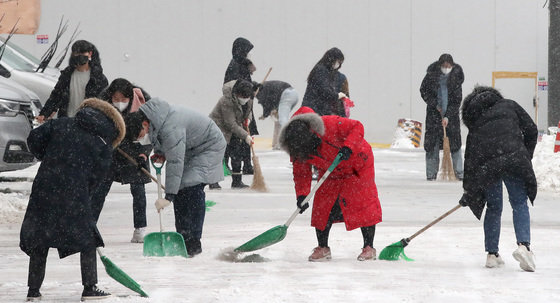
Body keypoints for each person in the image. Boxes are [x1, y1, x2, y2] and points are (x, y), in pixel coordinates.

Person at [20, 98, 125, 301]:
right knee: (87, 239)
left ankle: (33, 291)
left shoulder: (59, 124)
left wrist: (50, 157)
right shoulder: (102, 142)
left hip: (45, 185)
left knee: (40, 238)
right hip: (75, 192)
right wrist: (84, 189)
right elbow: (98, 177)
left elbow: (33, 139)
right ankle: (89, 287)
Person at [125, 98, 226, 256]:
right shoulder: (156, 119)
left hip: (209, 146)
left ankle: (194, 240)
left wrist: (169, 196)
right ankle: (183, 236)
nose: (141, 139)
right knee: (182, 189)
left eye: (140, 135)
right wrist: (160, 153)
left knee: (192, 187)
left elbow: (175, 161)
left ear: (144, 124)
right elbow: (163, 141)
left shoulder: (171, 125)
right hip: (191, 147)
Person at [279, 106, 382, 262]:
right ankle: (323, 247)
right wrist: (302, 195)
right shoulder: (296, 144)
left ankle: (369, 247)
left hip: (358, 165)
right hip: (330, 171)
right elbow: (301, 173)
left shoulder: (329, 124)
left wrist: (348, 146)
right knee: (322, 207)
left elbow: (357, 126)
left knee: (363, 204)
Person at [459, 86, 538, 272]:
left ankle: (492, 254)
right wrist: (525, 155)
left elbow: (470, 160)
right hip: (514, 159)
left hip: (489, 168)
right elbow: (532, 130)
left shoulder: (476, 122)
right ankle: (523, 246)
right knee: (519, 203)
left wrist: (469, 190)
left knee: (494, 207)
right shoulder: (509, 105)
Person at [90, 78, 152, 243]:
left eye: (123, 100)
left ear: (130, 97)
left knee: (138, 191)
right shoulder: (101, 105)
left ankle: (140, 229)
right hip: (110, 152)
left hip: (135, 152)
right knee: (99, 191)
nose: (119, 103)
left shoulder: (144, 104)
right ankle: (89, 227)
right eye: (116, 99)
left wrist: (143, 155)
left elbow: (148, 134)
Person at [36, 40, 108, 123]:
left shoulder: (98, 78)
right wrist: (44, 114)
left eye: (82, 53)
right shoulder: (67, 75)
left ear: (90, 54)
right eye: (76, 53)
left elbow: (104, 104)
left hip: (88, 123)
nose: (79, 56)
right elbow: (56, 95)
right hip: (66, 121)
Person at [420, 53, 464, 181]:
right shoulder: (431, 76)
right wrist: (435, 105)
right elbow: (424, 91)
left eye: (448, 65)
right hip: (434, 117)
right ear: (439, 66)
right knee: (432, 145)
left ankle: (459, 173)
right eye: (444, 66)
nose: (446, 68)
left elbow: (457, 100)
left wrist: (448, 116)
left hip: (451, 119)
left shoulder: (456, 78)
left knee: (454, 146)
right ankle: (431, 174)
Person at [210, 80, 255, 188]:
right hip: (220, 128)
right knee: (220, 155)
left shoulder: (249, 99)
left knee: (236, 154)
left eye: (247, 96)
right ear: (236, 93)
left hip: (235, 128)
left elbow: (248, 112)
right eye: (243, 96)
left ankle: (237, 181)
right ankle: (213, 182)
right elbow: (230, 123)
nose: (245, 98)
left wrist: (248, 119)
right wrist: (245, 135)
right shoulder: (226, 100)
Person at [223, 37, 258, 175]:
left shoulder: (242, 64)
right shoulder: (235, 65)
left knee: (246, 136)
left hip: (245, 104)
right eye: (248, 51)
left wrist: (253, 86)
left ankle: (247, 164)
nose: (249, 54)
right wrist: (249, 90)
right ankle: (230, 164)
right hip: (237, 106)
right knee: (237, 137)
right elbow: (238, 86)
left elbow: (245, 83)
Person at [301, 47, 347, 116]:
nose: (338, 65)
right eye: (338, 62)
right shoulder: (321, 71)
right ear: (332, 59)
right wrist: (337, 95)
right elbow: (324, 90)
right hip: (314, 109)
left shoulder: (324, 71)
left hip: (316, 109)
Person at [255, 80, 299, 150]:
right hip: (293, 94)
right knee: (279, 120)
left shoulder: (261, 91)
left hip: (287, 95)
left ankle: (284, 143)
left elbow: (266, 103)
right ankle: (276, 142)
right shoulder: (265, 86)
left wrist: (265, 115)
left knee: (282, 120)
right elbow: (272, 99)